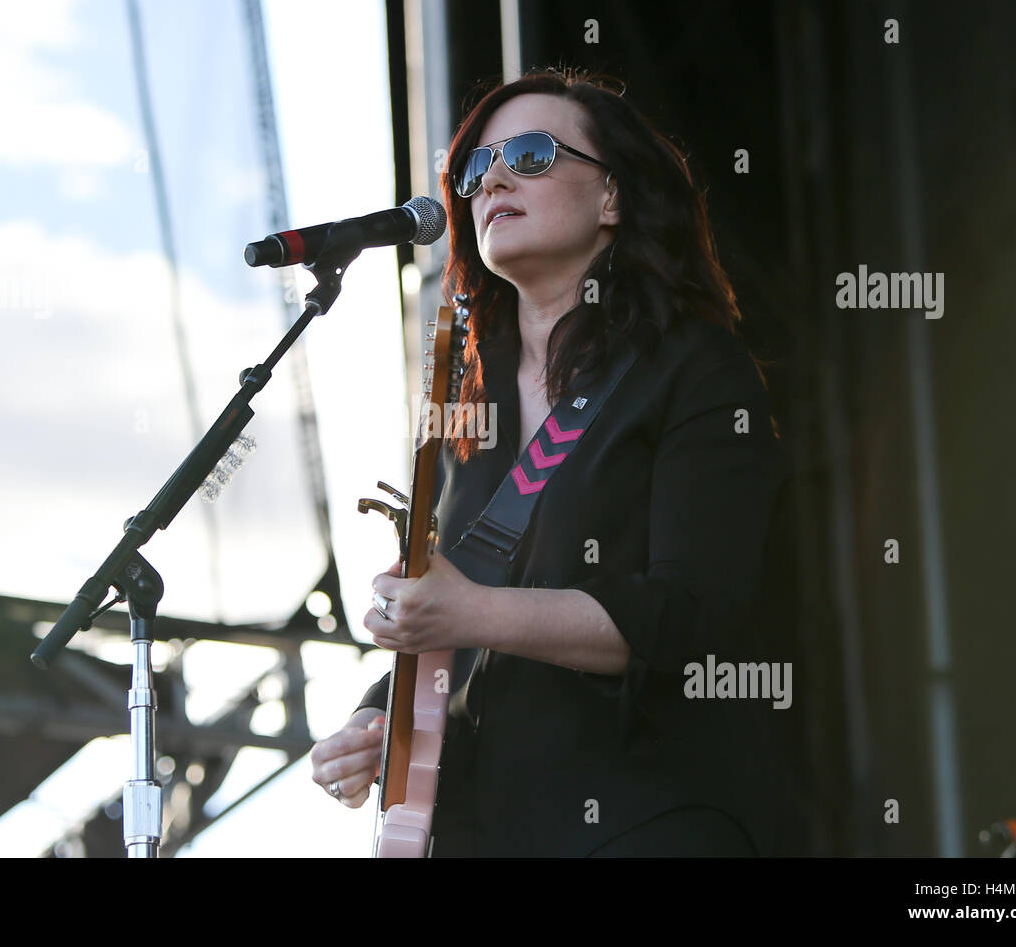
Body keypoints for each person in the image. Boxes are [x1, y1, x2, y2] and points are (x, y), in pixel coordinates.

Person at [310, 67, 810, 857]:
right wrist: (376, 719)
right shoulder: (461, 406)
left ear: (612, 197)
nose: (495, 177)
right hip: (480, 825)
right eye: (475, 168)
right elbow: (453, 618)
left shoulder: (695, 366)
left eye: (534, 154)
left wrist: (461, 610)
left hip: (648, 820)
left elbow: (689, 614)